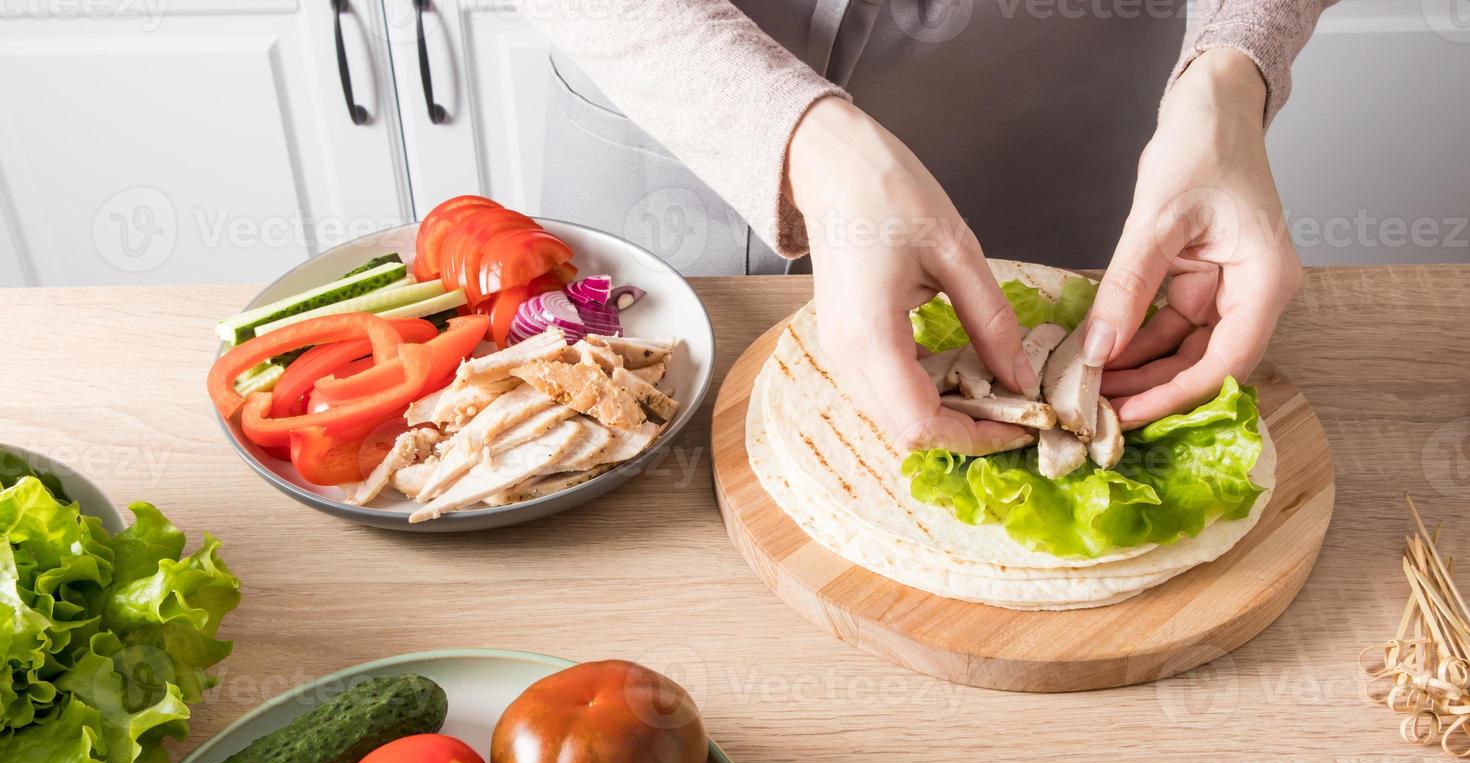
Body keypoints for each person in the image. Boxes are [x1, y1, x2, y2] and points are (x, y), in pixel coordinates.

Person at [524, 0, 1336, 450]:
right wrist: (803, 137)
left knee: (1060, 389)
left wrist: (1236, 61)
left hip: (1057, 109)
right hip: (677, 99)